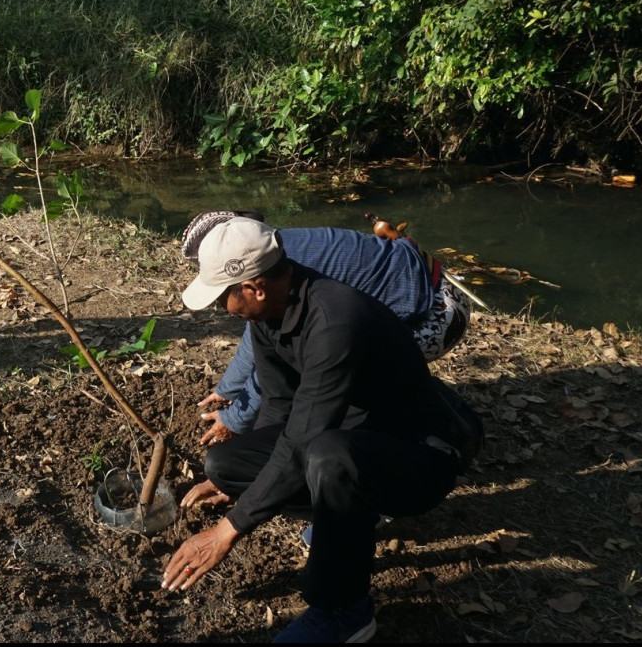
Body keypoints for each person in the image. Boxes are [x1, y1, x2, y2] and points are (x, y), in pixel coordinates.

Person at [162, 217, 482, 642]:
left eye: (224, 298)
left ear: (254, 288)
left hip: (420, 454)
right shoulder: (269, 315)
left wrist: (227, 530)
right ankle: (344, 519)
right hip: (350, 437)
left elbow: (302, 440)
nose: (224, 310)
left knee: (327, 457)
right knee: (226, 464)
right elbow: (278, 407)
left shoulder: (335, 321)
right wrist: (250, 481)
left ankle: (344, 611)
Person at [180, 211, 471, 447]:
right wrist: (227, 389)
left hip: (438, 311)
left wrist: (234, 420)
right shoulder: (267, 253)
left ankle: (441, 428)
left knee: (333, 373)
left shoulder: (275, 269)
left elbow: (280, 364)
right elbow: (257, 335)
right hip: (423, 288)